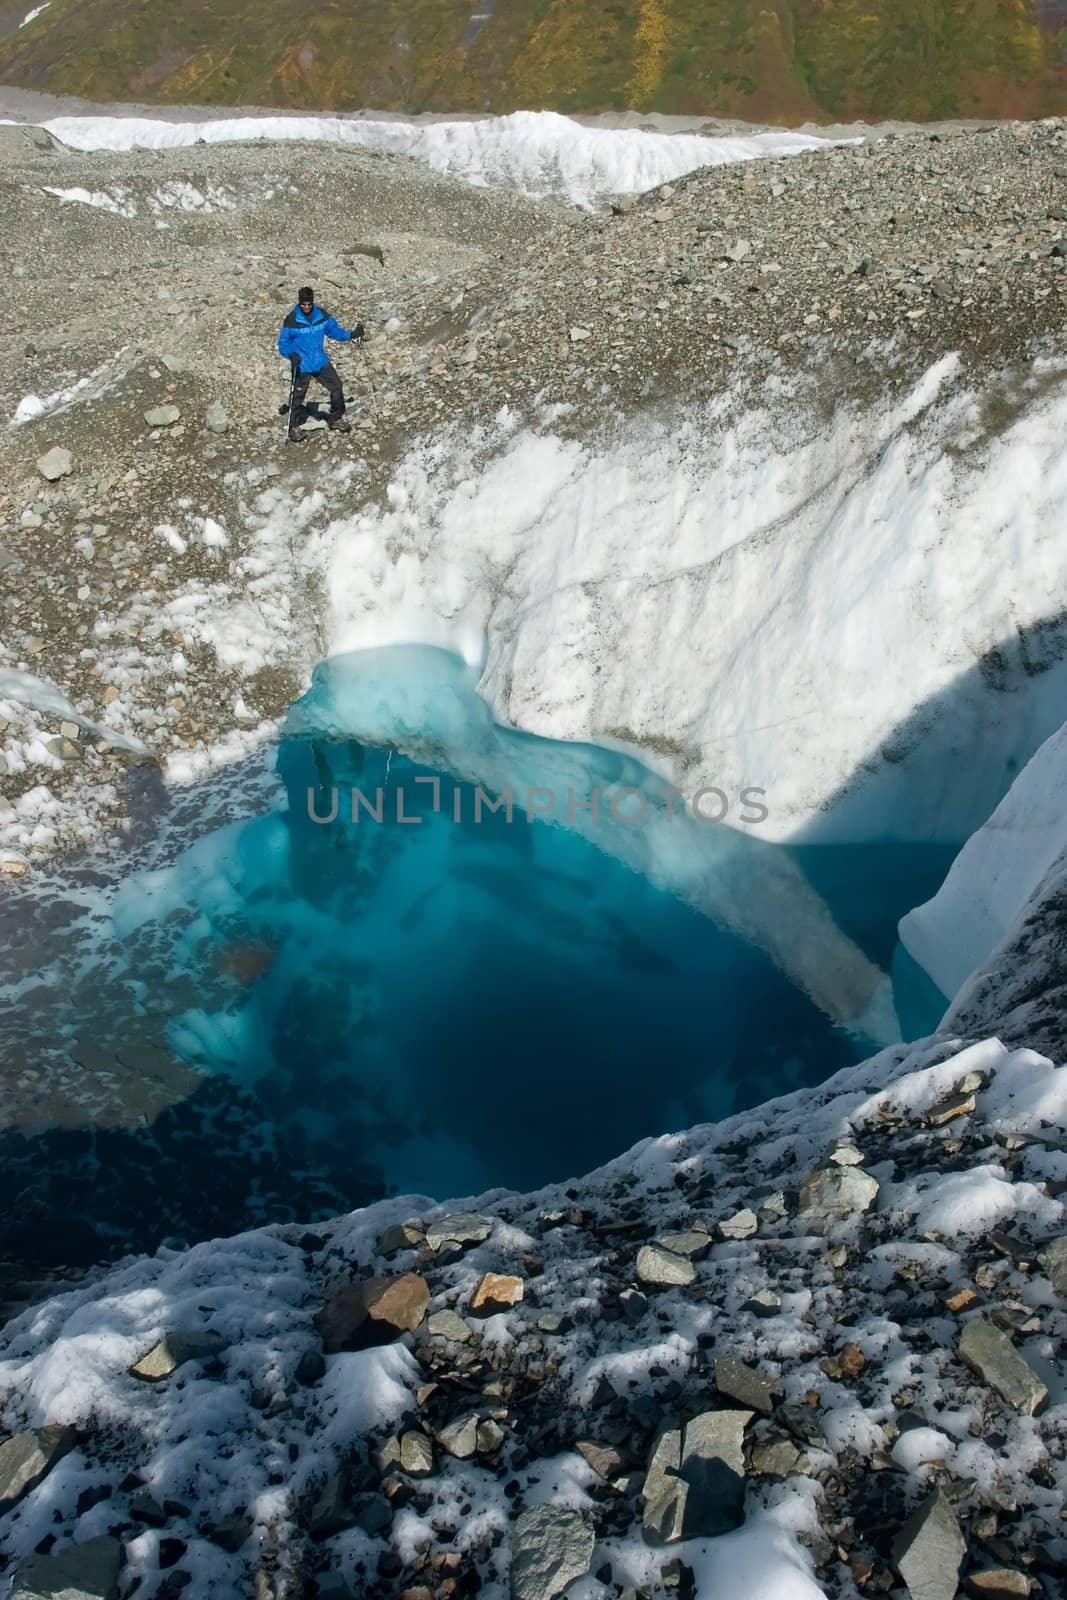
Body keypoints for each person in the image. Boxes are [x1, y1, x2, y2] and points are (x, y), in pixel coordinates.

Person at [278, 286, 364, 443]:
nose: (306, 307)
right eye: (303, 304)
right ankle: (293, 428)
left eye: (308, 304)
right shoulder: (291, 320)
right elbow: (283, 343)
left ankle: (335, 419)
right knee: (297, 397)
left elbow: (334, 331)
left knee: (336, 386)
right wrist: (291, 354)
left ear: (312, 302)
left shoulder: (321, 315)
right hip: (302, 364)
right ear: (299, 302)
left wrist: (351, 335)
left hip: (320, 361)